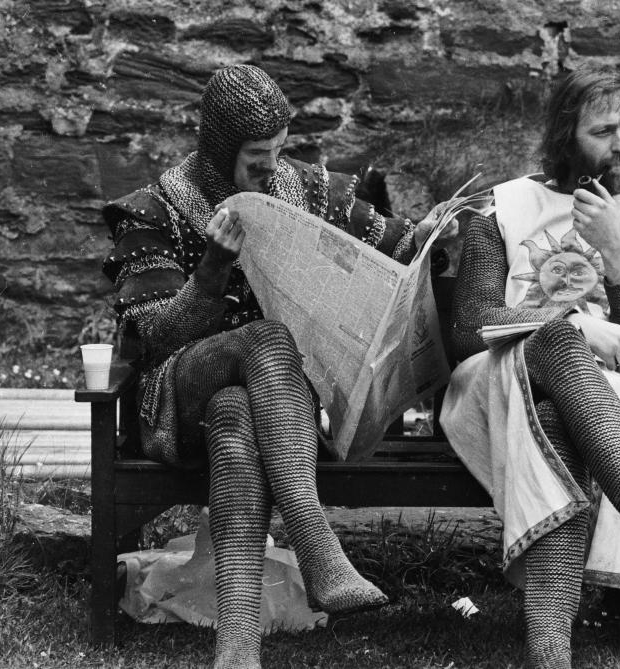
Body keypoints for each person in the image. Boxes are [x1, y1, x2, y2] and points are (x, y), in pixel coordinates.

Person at [101, 64, 440, 669]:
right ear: (219, 149)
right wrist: (209, 271)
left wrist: (433, 234)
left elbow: (399, 240)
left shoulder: (304, 189)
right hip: (180, 395)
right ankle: (315, 543)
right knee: (266, 340)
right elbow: (148, 339)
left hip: (266, 409)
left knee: (237, 425)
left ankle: (236, 650)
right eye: (257, 157)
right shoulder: (156, 209)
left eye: (278, 151)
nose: (270, 168)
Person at [439, 66, 620, 669]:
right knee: (561, 341)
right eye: (602, 131)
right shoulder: (504, 209)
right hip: (495, 380)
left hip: (604, 400)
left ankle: (550, 651)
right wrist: (578, 326)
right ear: (567, 134)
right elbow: (469, 328)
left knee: (556, 417)